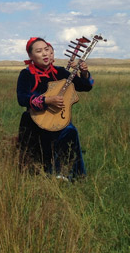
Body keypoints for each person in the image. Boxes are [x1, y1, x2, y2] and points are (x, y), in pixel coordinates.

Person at [15, 37, 92, 179]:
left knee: (70, 131)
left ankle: (70, 175)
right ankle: (44, 175)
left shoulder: (60, 72)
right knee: (36, 163)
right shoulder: (26, 74)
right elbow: (22, 98)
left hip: (58, 118)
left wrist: (85, 73)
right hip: (34, 120)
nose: (44, 54)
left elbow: (84, 86)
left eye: (46, 49)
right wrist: (47, 100)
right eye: (39, 51)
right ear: (31, 56)